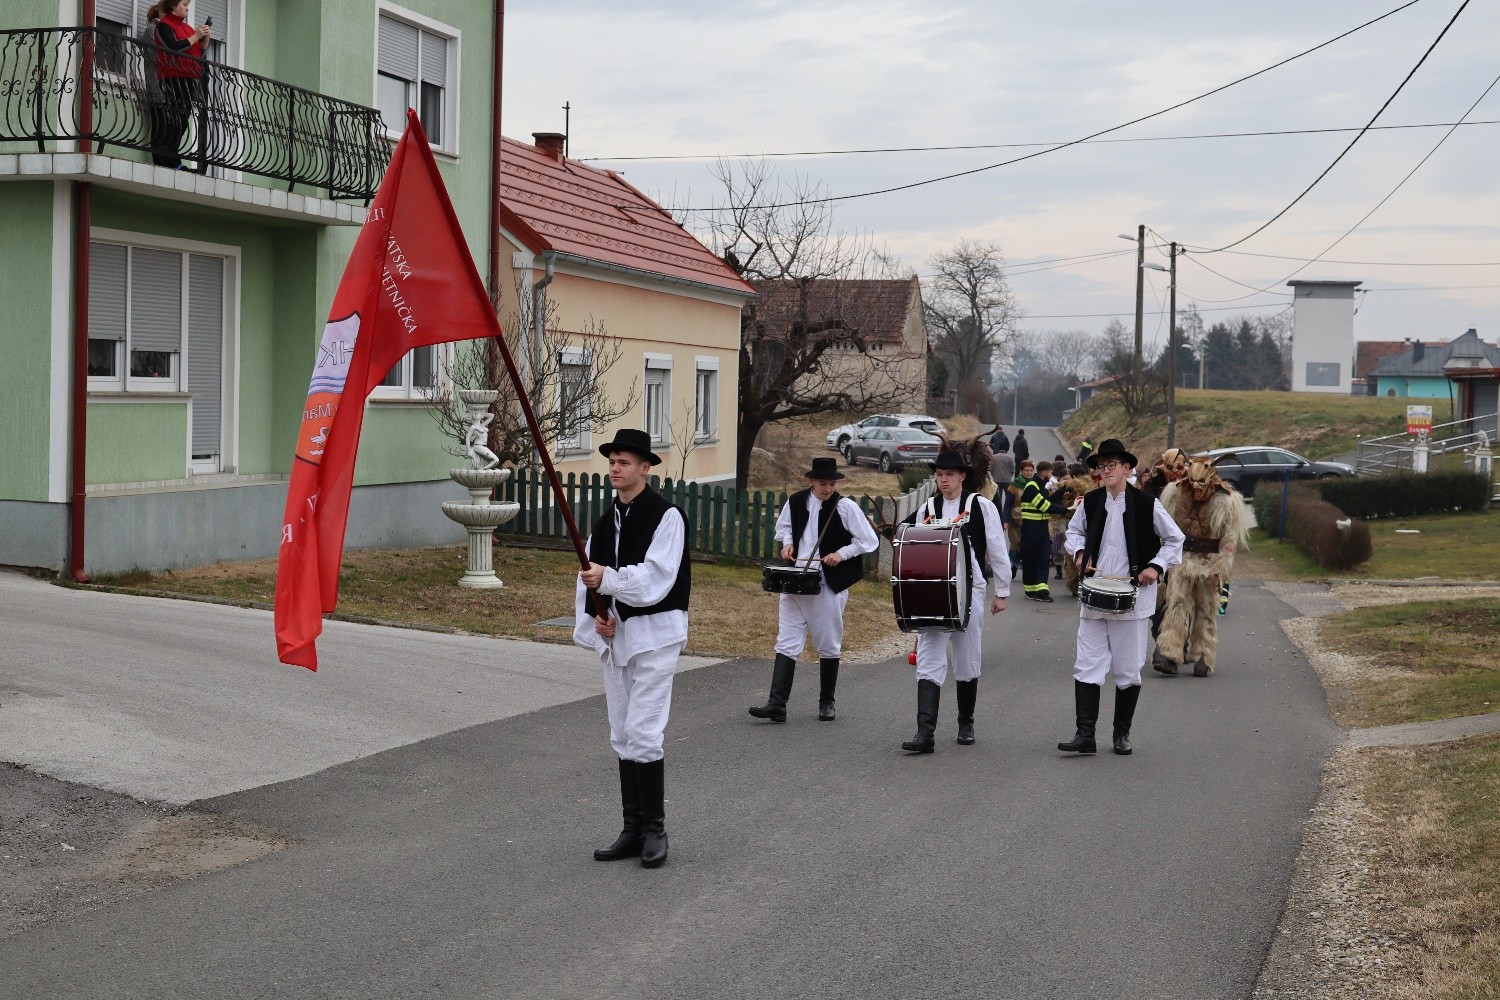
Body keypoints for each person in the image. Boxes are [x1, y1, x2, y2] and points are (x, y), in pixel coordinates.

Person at [575, 428, 690, 869]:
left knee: (644, 731)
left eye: (624, 462)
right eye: (612, 462)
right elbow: (588, 576)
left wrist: (609, 580)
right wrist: (598, 615)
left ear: (645, 468)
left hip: (656, 635)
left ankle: (656, 829)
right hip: (618, 637)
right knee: (621, 732)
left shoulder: (667, 518)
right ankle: (633, 827)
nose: (615, 469)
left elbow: (656, 577)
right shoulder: (605, 522)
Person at [1057, 439, 1184, 756]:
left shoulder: (1147, 504)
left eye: (1111, 464)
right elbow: (1072, 535)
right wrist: (1080, 550)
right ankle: (1085, 735)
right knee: (1087, 665)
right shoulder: (1090, 502)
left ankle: (1121, 734)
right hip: (1095, 595)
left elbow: (1174, 540)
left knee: (1128, 669)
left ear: (1127, 468)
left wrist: (1156, 566)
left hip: (1133, 599)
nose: (1105, 470)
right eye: (1101, 466)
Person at [750, 457, 880, 723]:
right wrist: (787, 545)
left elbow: (869, 540)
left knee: (828, 642)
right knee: (786, 640)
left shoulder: (845, 507)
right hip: (796, 578)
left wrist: (841, 554)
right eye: (823, 483)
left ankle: (826, 702)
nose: (828, 489)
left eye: (832, 483)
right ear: (811, 481)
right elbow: (784, 529)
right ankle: (777, 704)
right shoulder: (796, 501)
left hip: (826, 582)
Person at [898, 450, 1011, 752]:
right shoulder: (927, 507)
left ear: (963, 476)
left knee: (966, 656)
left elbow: (998, 548)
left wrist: (1002, 591)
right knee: (929, 655)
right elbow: (909, 541)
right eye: (939, 474)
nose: (943, 479)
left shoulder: (981, 506)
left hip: (969, 589)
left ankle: (966, 722)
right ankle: (925, 733)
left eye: (949, 474)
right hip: (933, 591)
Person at [1155, 458, 1248, 676]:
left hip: (1210, 561)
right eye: (1193, 483)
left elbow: (1230, 535)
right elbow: (1164, 526)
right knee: (1176, 602)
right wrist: (1163, 558)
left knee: (1206, 608)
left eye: (1201, 483)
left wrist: (1223, 563)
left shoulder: (1226, 499)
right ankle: (1169, 651)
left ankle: (1203, 654)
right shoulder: (1175, 493)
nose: (1196, 488)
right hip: (1182, 557)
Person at [147, 0, 211, 169]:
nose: (187, 8)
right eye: (184, 4)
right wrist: (196, 36)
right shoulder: (164, 25)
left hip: (189, 80)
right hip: (172, 79)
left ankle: (173, 161)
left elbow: (196, 52)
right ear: (173, 5)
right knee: (171, 121)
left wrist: (203, 41)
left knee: (181, 122)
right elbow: (172, 47)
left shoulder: (188, 28)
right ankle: (167, 162)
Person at [1017, 460, 1068, 602]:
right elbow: (1045, 506)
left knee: (1044, 558)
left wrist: (1062, 492)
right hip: (1030, 530)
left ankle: (1041, 591)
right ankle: (1030, 591)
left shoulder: (1041, 488)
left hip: (1041, 530)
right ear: (1045, 472)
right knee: (1031, 560)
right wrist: (1067, 509)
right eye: (1050, 472)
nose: (1051, 475)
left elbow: (1050, 501)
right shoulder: (1031, 487)